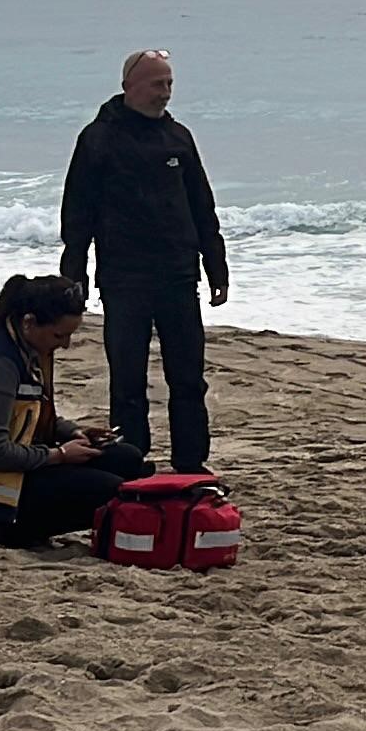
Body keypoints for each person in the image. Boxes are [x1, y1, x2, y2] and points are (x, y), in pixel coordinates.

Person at [60, 49, 227, 475]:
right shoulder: (98, 138)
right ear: (129, 86)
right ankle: (131, 461)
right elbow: (77, 211)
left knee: (188, 378)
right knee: (128, 381)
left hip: (178, 274)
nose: (165, 93)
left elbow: (202, 205)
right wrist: (73, 274)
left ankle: (191, 462)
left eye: (169, 84)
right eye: (157, 84)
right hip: (123, 277)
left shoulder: (178, 138)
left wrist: (216, 265)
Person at [0, 273, 145, 548]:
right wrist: (60, 455)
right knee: (110, 491)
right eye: (59, 335)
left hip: (21, 461)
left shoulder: (27, 347)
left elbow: (32, 414)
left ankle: (27, 522)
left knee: (127, 459)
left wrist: (75, 433)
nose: (64, 344)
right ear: (29, 323)